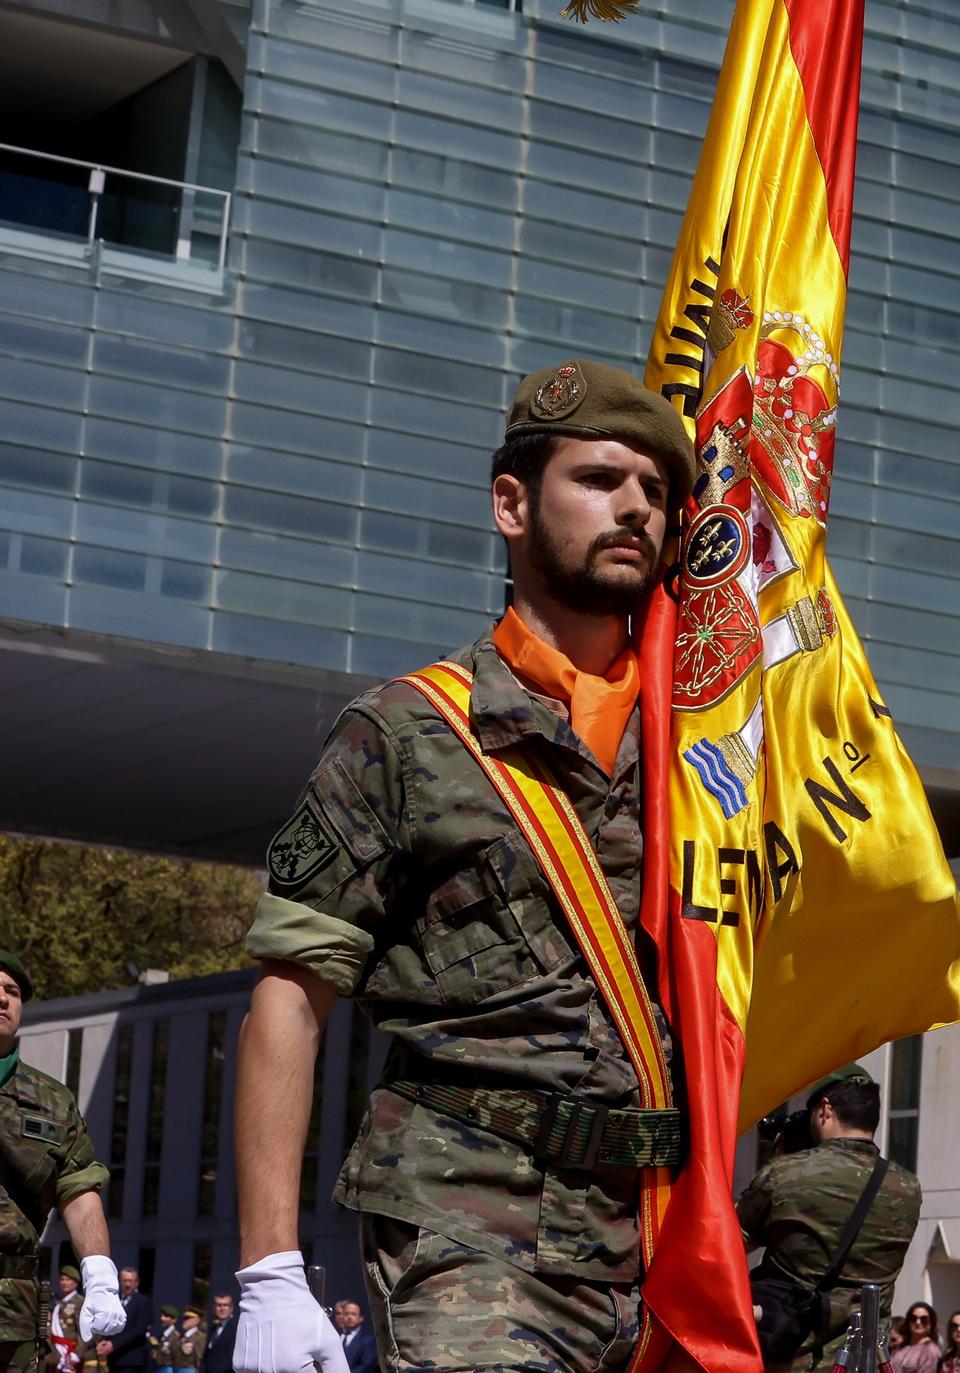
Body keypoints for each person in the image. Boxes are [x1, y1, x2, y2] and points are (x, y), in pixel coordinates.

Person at [229, 360, 699, 1373]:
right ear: (511, 504)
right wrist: (268, 1262)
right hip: (470, 1223)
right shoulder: (405, 733)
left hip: (665, 1238)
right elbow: (292, 991)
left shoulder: (705, 750)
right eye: (600, 478)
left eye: (656, 492)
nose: (633, 506)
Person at [738, 1066, 922, 1372]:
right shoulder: (908, 1188)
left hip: (790, 1359)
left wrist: (782, 1157)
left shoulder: (786, 1174)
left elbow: (727, 1242)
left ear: (825, 1109)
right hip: (861, 1361)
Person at [0, 950, 126, 1373]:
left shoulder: (51, 1101)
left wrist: (100, 1275)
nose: (3, 999)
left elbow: (78, 1188)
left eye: (12, 992)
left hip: (10, 1312)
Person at [94, 1269, 149, 1373]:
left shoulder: (143, 1302)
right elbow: (110, 1323)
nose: (127, 1284)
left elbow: (139, 1329)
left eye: (130, 1281)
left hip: (131, 1359)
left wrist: (114, 1344)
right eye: (124, 1281)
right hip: (114, 1358)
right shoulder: (115, 1300)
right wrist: (103, 1340)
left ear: (136, 1282)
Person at [893, 1304, 945, 1373]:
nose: (918, 1322)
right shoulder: (901, 1346)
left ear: (931, 1323)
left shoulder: (931, 1350)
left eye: (923, 1319)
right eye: (913, 1318)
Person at [333, 1300, 378, 1373]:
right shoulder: (336, 1338)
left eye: (353, 1314)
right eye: (346, 1314)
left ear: (361, 1317)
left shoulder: (368, 1340)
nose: (349, 1317)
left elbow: (367, 1366)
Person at [199, 1294, 235, 1373]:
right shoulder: (214, 1328)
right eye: (219, 1305)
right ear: (214, 1308)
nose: (222, 1308)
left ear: (231, 1308)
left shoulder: (236, 1328)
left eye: (225, 1305)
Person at [169, 1305, 204, 1373]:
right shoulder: (182, 1336)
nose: (184, 1320)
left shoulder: (199, 1337)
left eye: (188, 1318)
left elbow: (199, 1359)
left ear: (196, 1320)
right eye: (184, 1318)